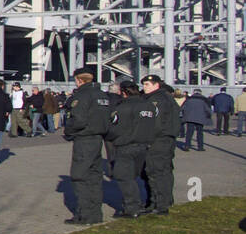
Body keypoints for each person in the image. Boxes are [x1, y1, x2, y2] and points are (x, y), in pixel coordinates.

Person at [63, 68, 113, 225]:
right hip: (98, 138)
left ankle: (84, 215)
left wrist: (68, 131)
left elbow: (78, 119)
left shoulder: (82, 95)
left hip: (84, 138)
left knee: (80, 176)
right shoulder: (102, 95)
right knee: (94, 177)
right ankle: (95, 213)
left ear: (79, 80)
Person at [106, 80, 160, 218]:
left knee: (124, 177)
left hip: (126, 145)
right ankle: (135, 204)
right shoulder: (149, 106)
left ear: (123, 92)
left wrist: (108, 135)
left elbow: (116, 127)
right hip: (144, 145)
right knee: (133, 177)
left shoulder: (123, 107)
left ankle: (132, 208)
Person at [140, 74, 178, 215]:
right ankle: (161, 202)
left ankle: (159, 205)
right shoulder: (166, 97)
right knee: (163, 171)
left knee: (155, 172)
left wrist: (147, 138)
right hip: (166, 140)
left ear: (157, 85)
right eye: (144, 84)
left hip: (158, 140)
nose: (144, 87)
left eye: (147, 85)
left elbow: (155, 122)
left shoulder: (157, 100)